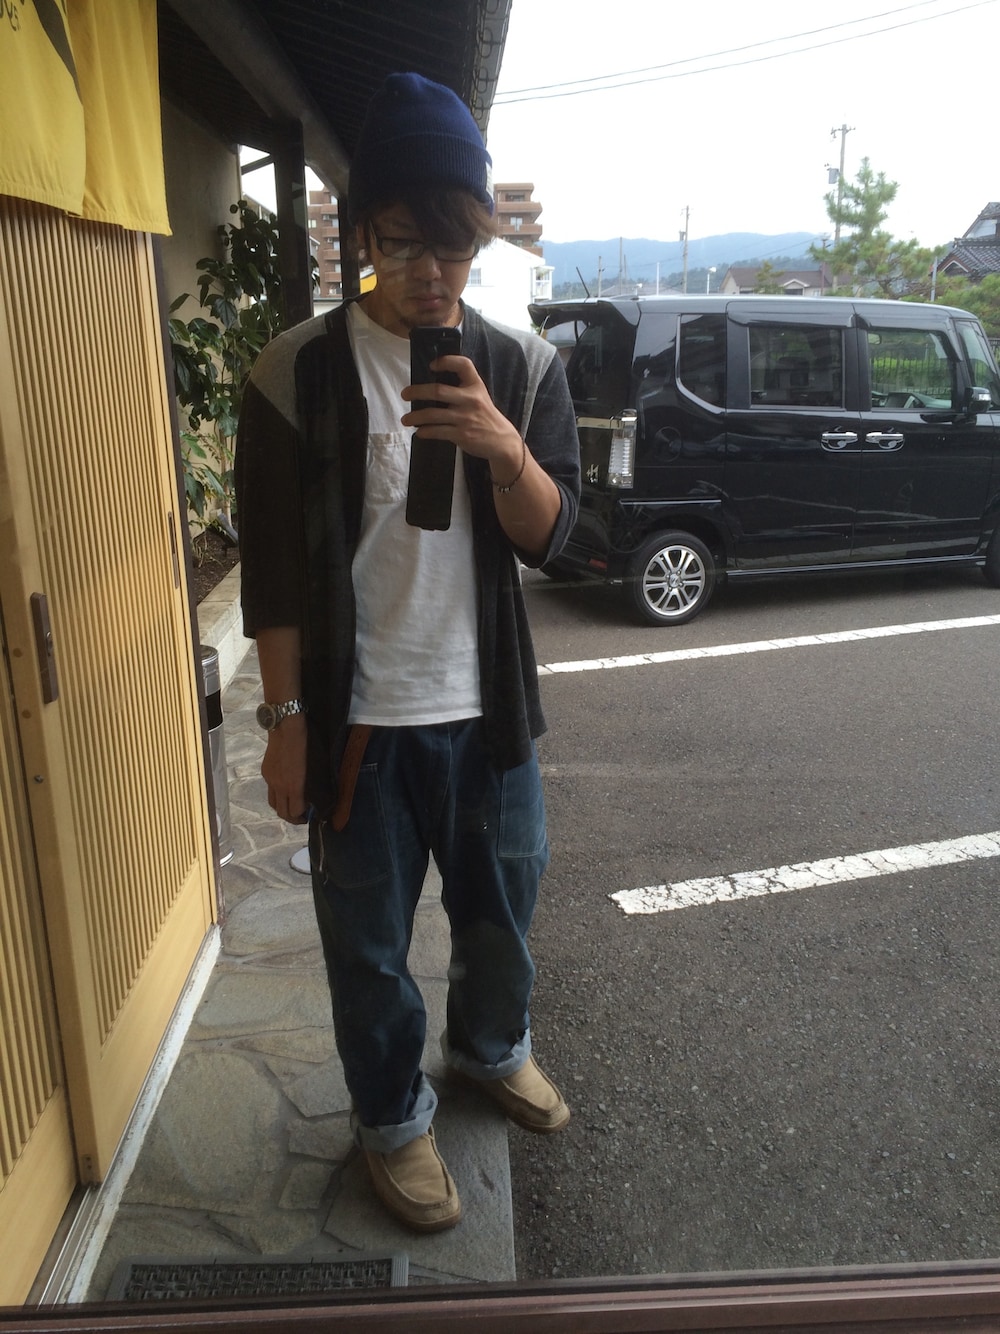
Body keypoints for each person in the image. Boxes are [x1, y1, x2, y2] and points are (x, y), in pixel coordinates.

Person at [235, 71, 580, 1234]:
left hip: (488, 715)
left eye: (456, 246)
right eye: (402, 243)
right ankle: (390, 1118)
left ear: (480, 238)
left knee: (500, 914)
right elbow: (274, 572)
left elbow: (554, 536)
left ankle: (491, 1048)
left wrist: (501, 447)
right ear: (362, 234)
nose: (432, 272)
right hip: (359, 724)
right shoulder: (295, 371)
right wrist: (285, 723)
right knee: (369, 948)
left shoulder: (521, 367)